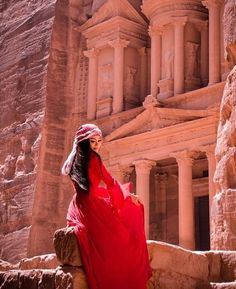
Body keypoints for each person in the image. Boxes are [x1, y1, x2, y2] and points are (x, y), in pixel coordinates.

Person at [62, 123, 152, 289]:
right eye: (92, 141)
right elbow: (109, 181)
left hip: (78, 205)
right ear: (84, 142)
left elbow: (89, 187)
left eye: (99, 141)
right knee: (123, 235)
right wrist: (126, 197)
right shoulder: (94, 158)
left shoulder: (74, 160)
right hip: (91, 206)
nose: (96, 145)